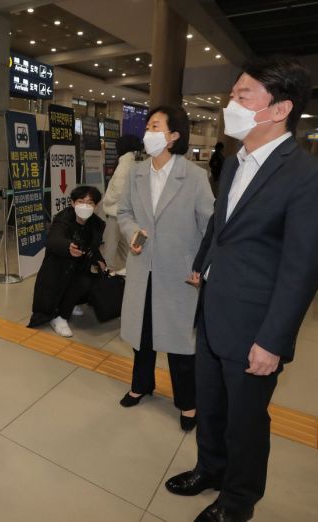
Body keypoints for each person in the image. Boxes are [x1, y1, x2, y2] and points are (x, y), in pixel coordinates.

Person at [165, 56, 318, 522]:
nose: (231, 104)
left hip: (255, 327)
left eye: (242, 96)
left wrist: (273, 341)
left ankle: (237, 502)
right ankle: (210, 469)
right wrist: (203, 265)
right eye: (233, 94)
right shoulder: (238, 162)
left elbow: (302, 270)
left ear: (278, 109)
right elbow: (222, 229)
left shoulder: (309, 177)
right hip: (215, 311)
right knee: (212, 406)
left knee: (245, 423)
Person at [117, 106, 214, 432]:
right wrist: (132, 234)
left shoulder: (196, 177)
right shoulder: (137, 172)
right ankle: (141, 384)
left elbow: (210, 226)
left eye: (155, 126)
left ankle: (188, 402)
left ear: (174, 135)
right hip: (143, 267)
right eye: (148, 126)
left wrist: (203, 267)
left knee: (180, 343)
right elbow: (124, 212)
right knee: (142, 334)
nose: (148, 132)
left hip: (179, 273)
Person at [28, 185, 106, 337]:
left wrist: (99, 260)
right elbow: (53, 239)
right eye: (80, 201)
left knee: (92, 280)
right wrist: (67, 247)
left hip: (80, 266)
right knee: (81, 282)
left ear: (96, 206)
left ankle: (70, 303)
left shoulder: (96, 224)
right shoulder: (63, 218)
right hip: (59, 268)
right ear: (72, 203)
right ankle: (60, 317)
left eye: (90, 203)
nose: (84, 206)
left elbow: (93, 246)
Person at [101, 134, 142, 273]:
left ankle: (109, 271)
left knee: (111, 244)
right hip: (128, 212)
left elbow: (117, 189)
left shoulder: (123, 165)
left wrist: (106, 200)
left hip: (116, 212)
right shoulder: (133, 163)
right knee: (125, 244)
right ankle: (126, 269)